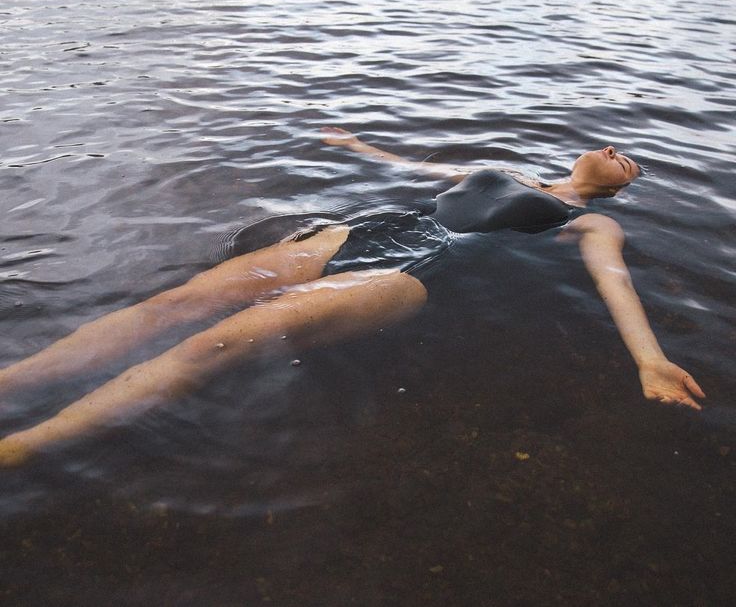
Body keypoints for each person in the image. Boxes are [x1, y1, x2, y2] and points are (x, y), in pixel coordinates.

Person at [0, 128, 705, 467]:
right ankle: (12, 382)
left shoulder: (592, 220)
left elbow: (613, 281)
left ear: (620, 185)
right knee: (175, 305)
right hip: (367, 231)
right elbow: (416, 167)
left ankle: (25, 446)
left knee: (216, 342)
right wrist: (357, 147)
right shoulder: (502, 165)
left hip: (425, 268)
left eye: (630, 159)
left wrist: (648, 359)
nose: (617, 150)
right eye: (614, 144)